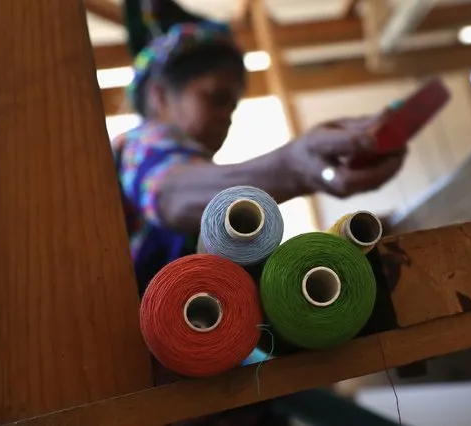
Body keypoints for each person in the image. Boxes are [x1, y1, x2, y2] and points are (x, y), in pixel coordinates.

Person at [112, 1, 406, 424]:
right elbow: (170, 191)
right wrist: (295, 165)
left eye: (232, 106)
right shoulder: (143, 144)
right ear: (160, 95)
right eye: (214, 98)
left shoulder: (191, 167)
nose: (225, 117)